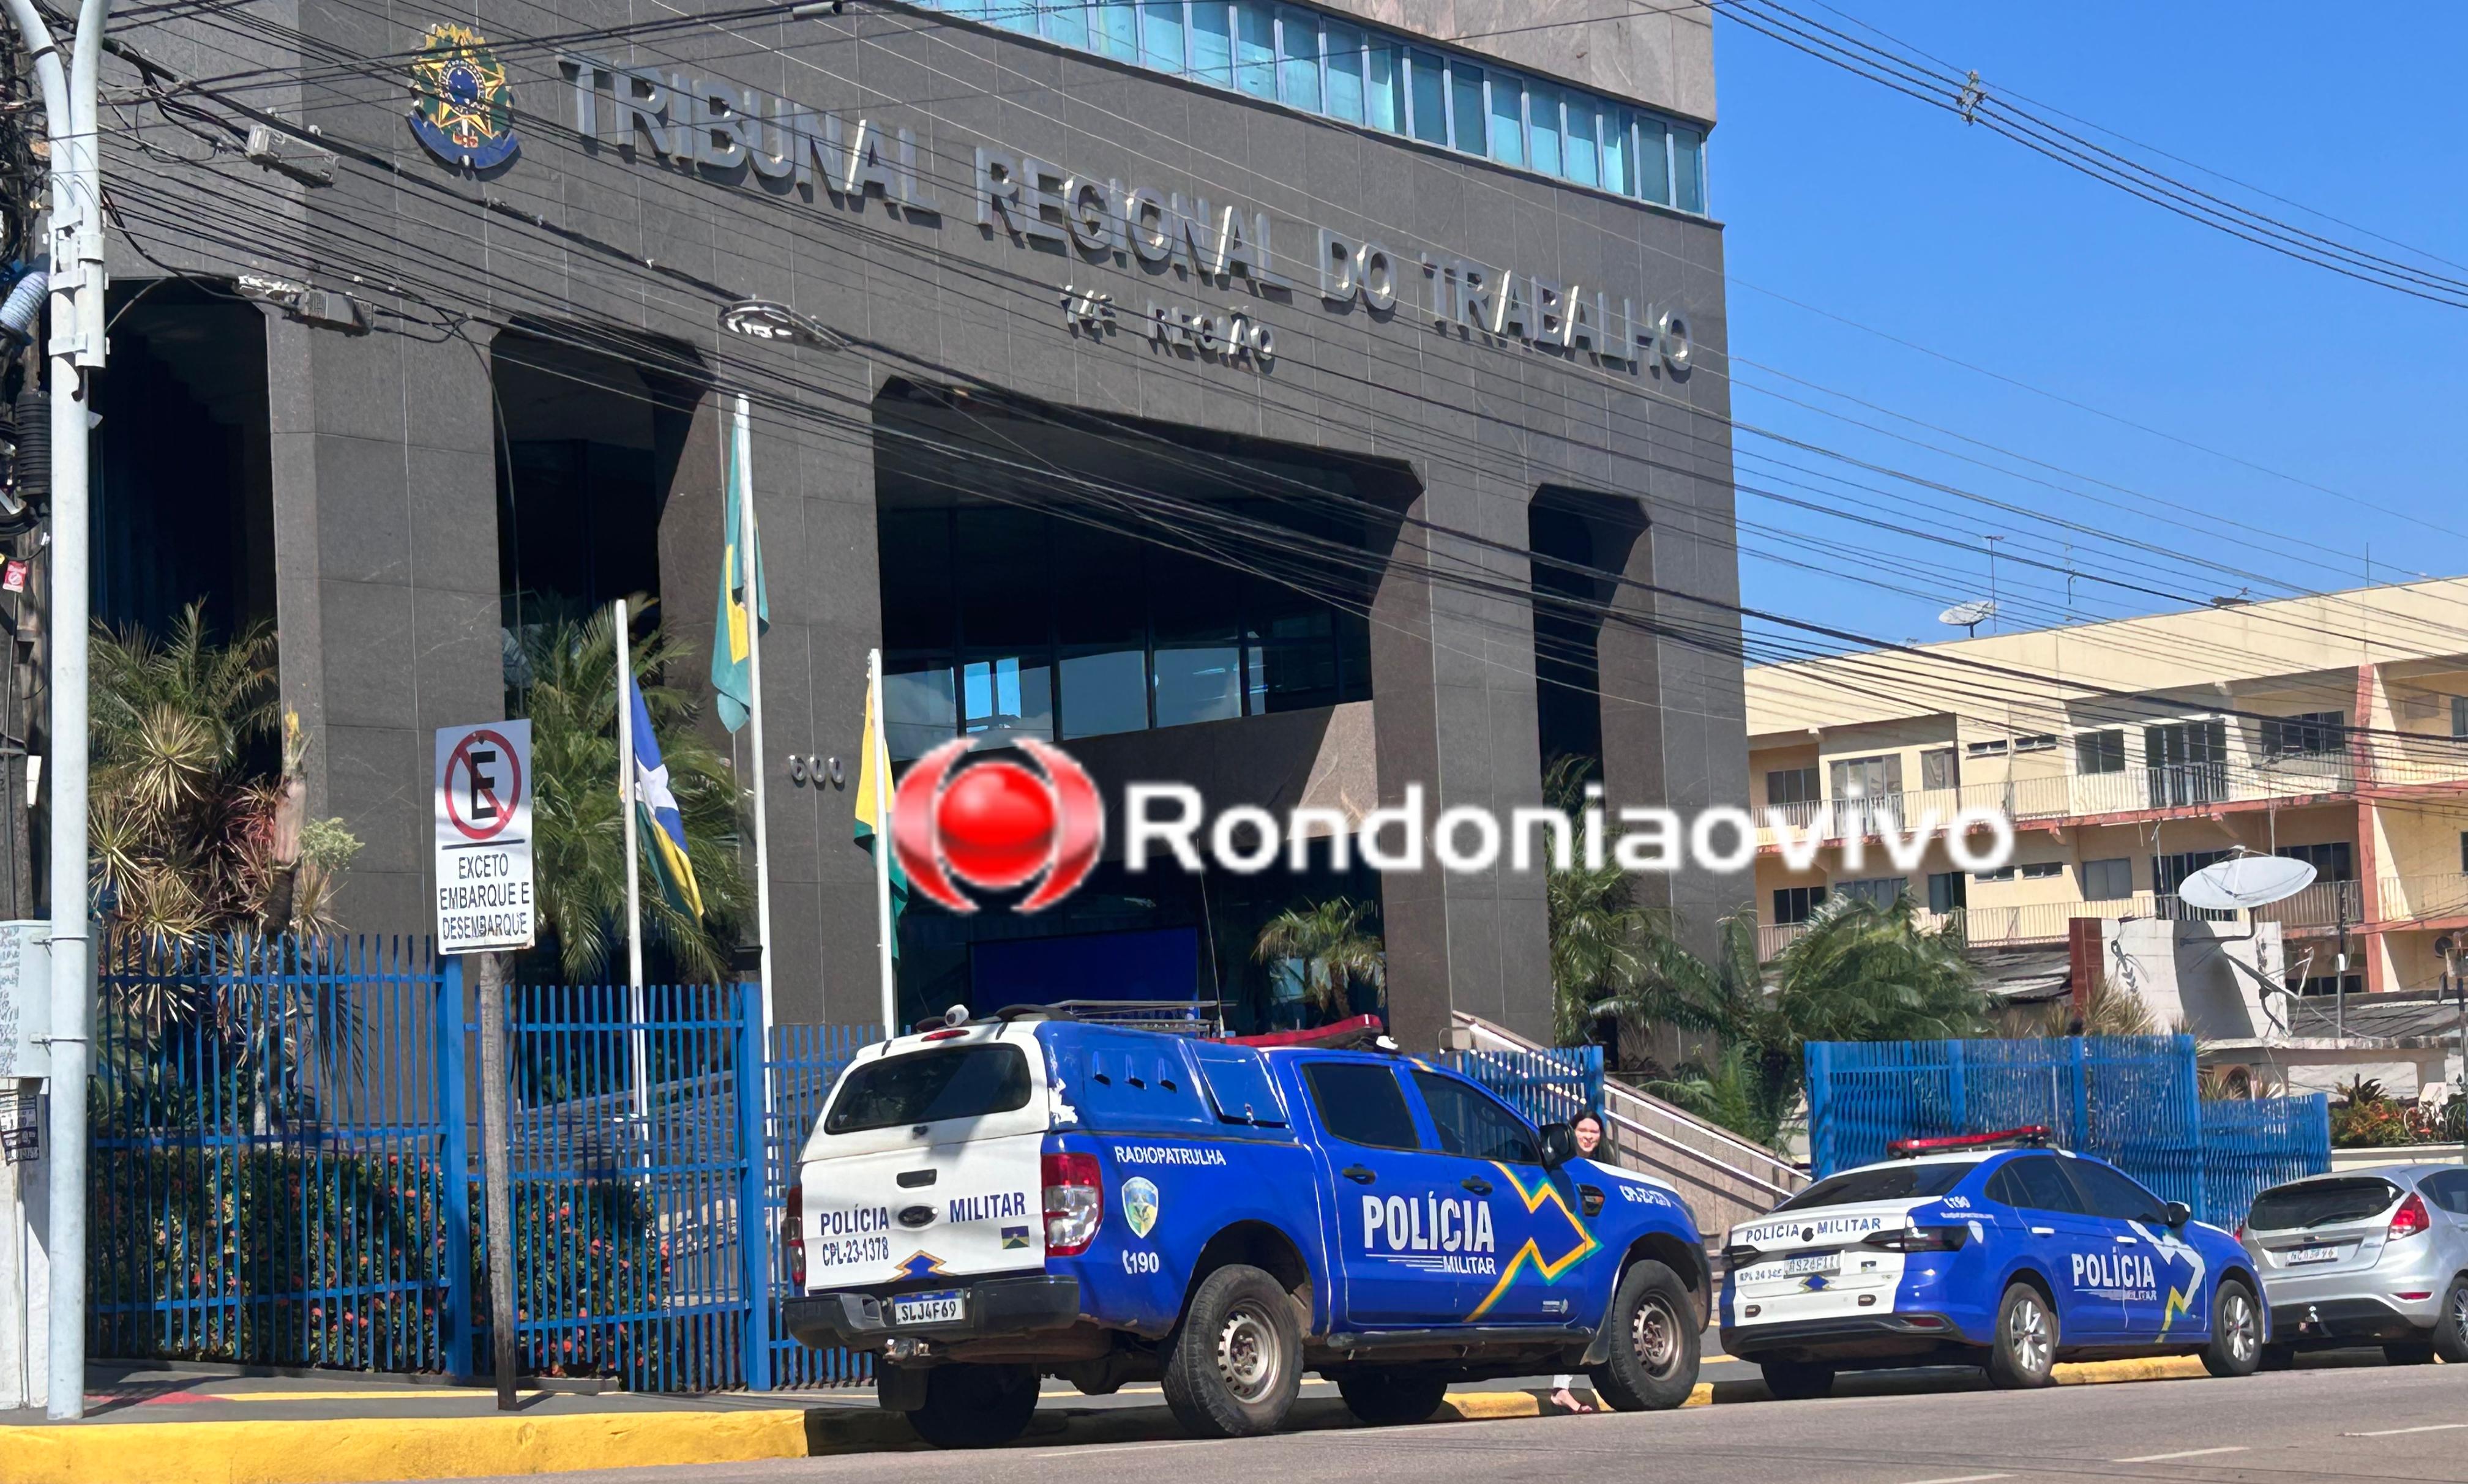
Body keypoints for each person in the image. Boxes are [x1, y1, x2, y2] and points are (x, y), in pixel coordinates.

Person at [1550, 1110, 1614, 1414]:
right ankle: (1561, 1389)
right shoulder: (1561, 1165)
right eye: (1583, 1130)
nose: (1589, 1136)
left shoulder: (1603, 1168)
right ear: (1571, 1132)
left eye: (1595, 1132)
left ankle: (1565, 1387)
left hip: (1595, 1248)